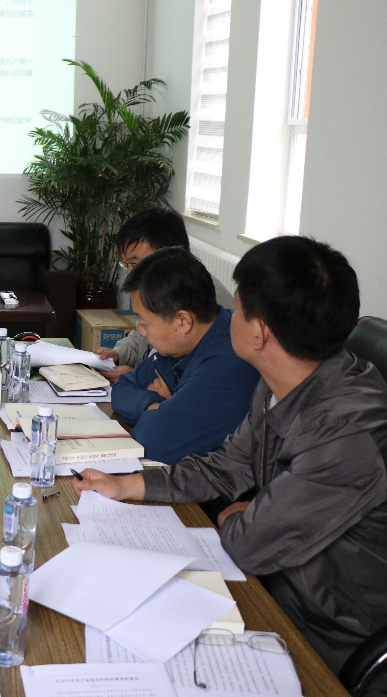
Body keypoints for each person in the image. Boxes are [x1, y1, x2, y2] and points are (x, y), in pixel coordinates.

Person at [76, 235, 387, 678]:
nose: (226, 317)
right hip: (278, 588)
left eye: (237, 309)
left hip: (326, 634)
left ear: (259, 332)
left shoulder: (346, 434)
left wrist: (241, 516)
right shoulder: (281, 382)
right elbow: (228, 464)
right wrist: (129, 485)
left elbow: (249, 545)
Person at [110, 248, 259, 464]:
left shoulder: (228, 364)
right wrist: (156, 406)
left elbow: (150, 443)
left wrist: (167, 412)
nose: (141, 332)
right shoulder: (182, 343)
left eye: (144, 323)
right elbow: (122, 388)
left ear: (183, 321)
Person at [96, 207, 191, 382]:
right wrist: (118, 354)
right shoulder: (156, 288)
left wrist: (137, 379)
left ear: (168, 254)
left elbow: (183, 380)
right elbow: (142, 336)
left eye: (135, 264)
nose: (130, 274)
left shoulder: (196, 297)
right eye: (126, 265)